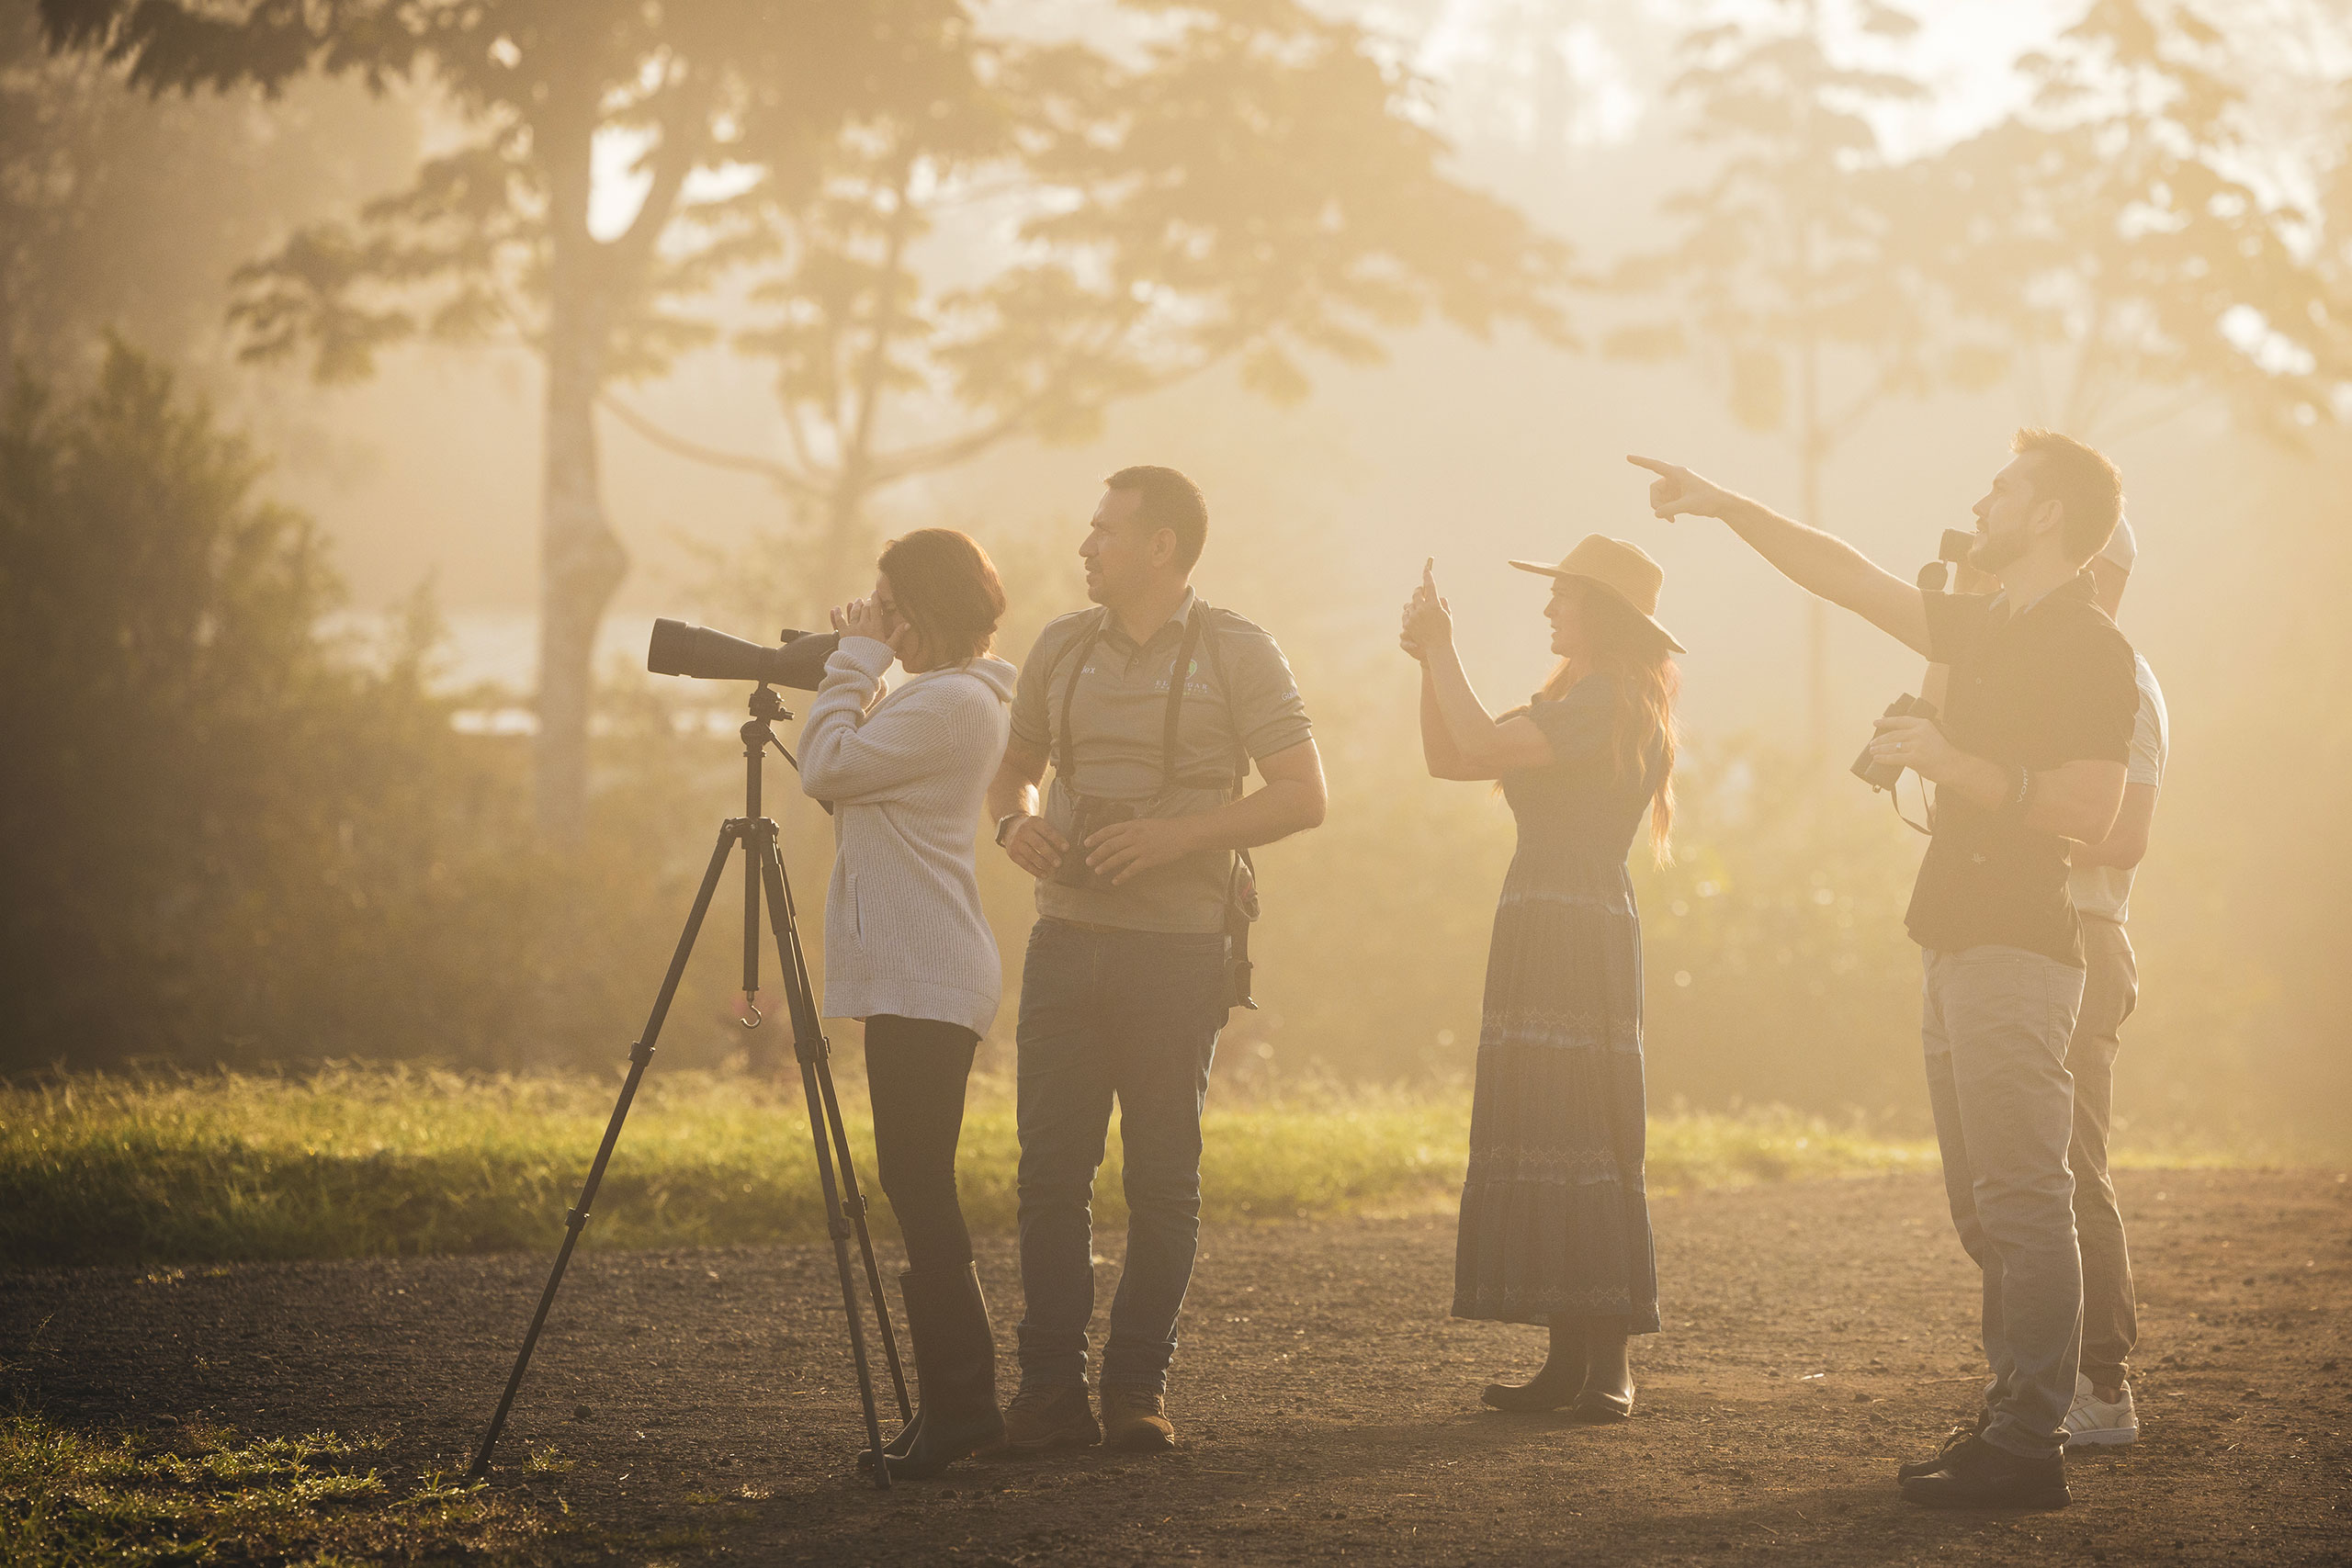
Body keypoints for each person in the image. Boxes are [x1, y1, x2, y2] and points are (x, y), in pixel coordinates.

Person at [1631, 431, 2138, 1510]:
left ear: (2046, 516)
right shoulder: (1985, 622)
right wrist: (1724, 503)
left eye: (2002, 487)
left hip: (2020, 944)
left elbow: (2091, 812)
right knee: (1981, 1209)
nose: (1983, 498)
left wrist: (1953, 762)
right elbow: (1843, 573)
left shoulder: (2092, 649)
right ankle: (2012, 1415)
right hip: (1951, 934)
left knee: (2023, 1201)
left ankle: (2028, 1444)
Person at [984, 466, 1327, 1453]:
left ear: (1160, 547)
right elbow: (1014, 771)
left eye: (1104, 532)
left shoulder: (1237, 650)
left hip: (1179, 954)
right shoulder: (1060, 644)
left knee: (1162, 1182)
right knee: (1049, 1178)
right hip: (1065, 941)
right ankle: (1049, 1393)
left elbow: (1304, 794)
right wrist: (1016, 822)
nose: (1085, 547)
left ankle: (1137, 1391)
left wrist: (1178, 838)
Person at [1400, 537, 1681, 1424]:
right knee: (1545, 1112)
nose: (1550, 610)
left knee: (1587, 1121)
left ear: (1601, 612)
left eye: (1563, 596)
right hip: (1541, 912)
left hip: (1578, 916)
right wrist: (1424, 661)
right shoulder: (1576, 700)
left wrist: (1442, 648)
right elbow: (1452, 758)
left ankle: (1609, 1361)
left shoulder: (1605, 703)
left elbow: (1477, 740)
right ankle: (1567, 1357)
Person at [797, 527, 1019, 1479]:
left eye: (883, 604)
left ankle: (965, 1407)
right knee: (911, 1179)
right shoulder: (932, 700)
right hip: (915, 972)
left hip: (929, 975)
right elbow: (847, 762)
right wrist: (865, 665)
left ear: (917, 617)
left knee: (916, 1181)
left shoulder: (959, 703)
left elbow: (826, 769)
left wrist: (852, 660)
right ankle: (955, 1406)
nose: (870, 617)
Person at [2059, 518, 2166, 1448]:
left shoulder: (2123, 681)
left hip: (2083, 935)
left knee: (2069, 1165)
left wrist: (2012, 813)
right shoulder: (2048, 667)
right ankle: (2047, 1372)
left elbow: (2124, 838)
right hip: (2027, 931)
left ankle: (2100, 1385)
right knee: (2021, 1171)